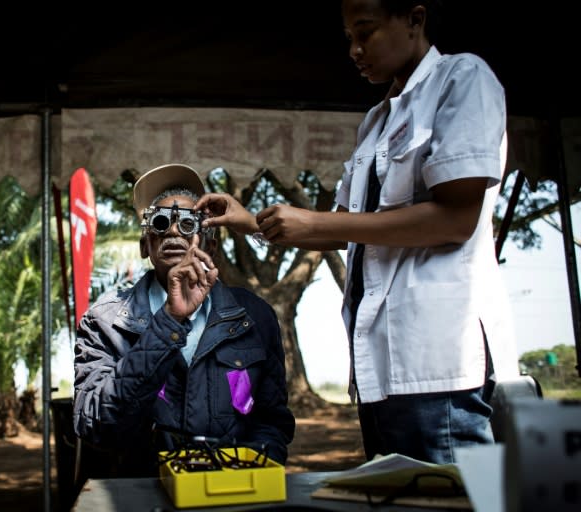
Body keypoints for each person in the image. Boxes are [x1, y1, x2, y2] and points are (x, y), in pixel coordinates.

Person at [195, 0, 520, 465]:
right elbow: (344, 226)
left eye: (365, 32)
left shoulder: (462, 79)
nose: (354, 49)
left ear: (414, 19)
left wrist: (319, 221)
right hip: (379, 366)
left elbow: (454, 220)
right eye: (348, 37)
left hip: (442, 360)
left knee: (458, 499)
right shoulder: (375, 121)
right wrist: (249, 220)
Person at [72, 163, 295, 477]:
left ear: (211, 246)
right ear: (145, 245)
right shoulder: (105, 321)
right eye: (161, 222)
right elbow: (96, 426)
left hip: (233, 493)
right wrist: (169, 321)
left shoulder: (255, 316)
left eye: (189, 223)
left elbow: (272, 422)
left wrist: (249, 470)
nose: (174, 230)